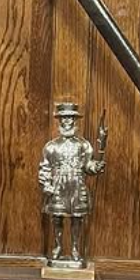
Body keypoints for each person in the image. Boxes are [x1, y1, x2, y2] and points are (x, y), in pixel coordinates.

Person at [38, 102, 107, 267]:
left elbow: (87, 166)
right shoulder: (51, 146)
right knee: (57, 217)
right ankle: (58, 247)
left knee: (77, 218)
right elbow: (45, 167)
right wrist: (46, 183)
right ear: (59, 120)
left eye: (70, 117)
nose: (66, 121)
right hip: (58, 185)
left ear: (75, 121)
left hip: (77, 185)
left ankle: (76, 248)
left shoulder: (83, 145)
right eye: (63, 118)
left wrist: (95, 166)